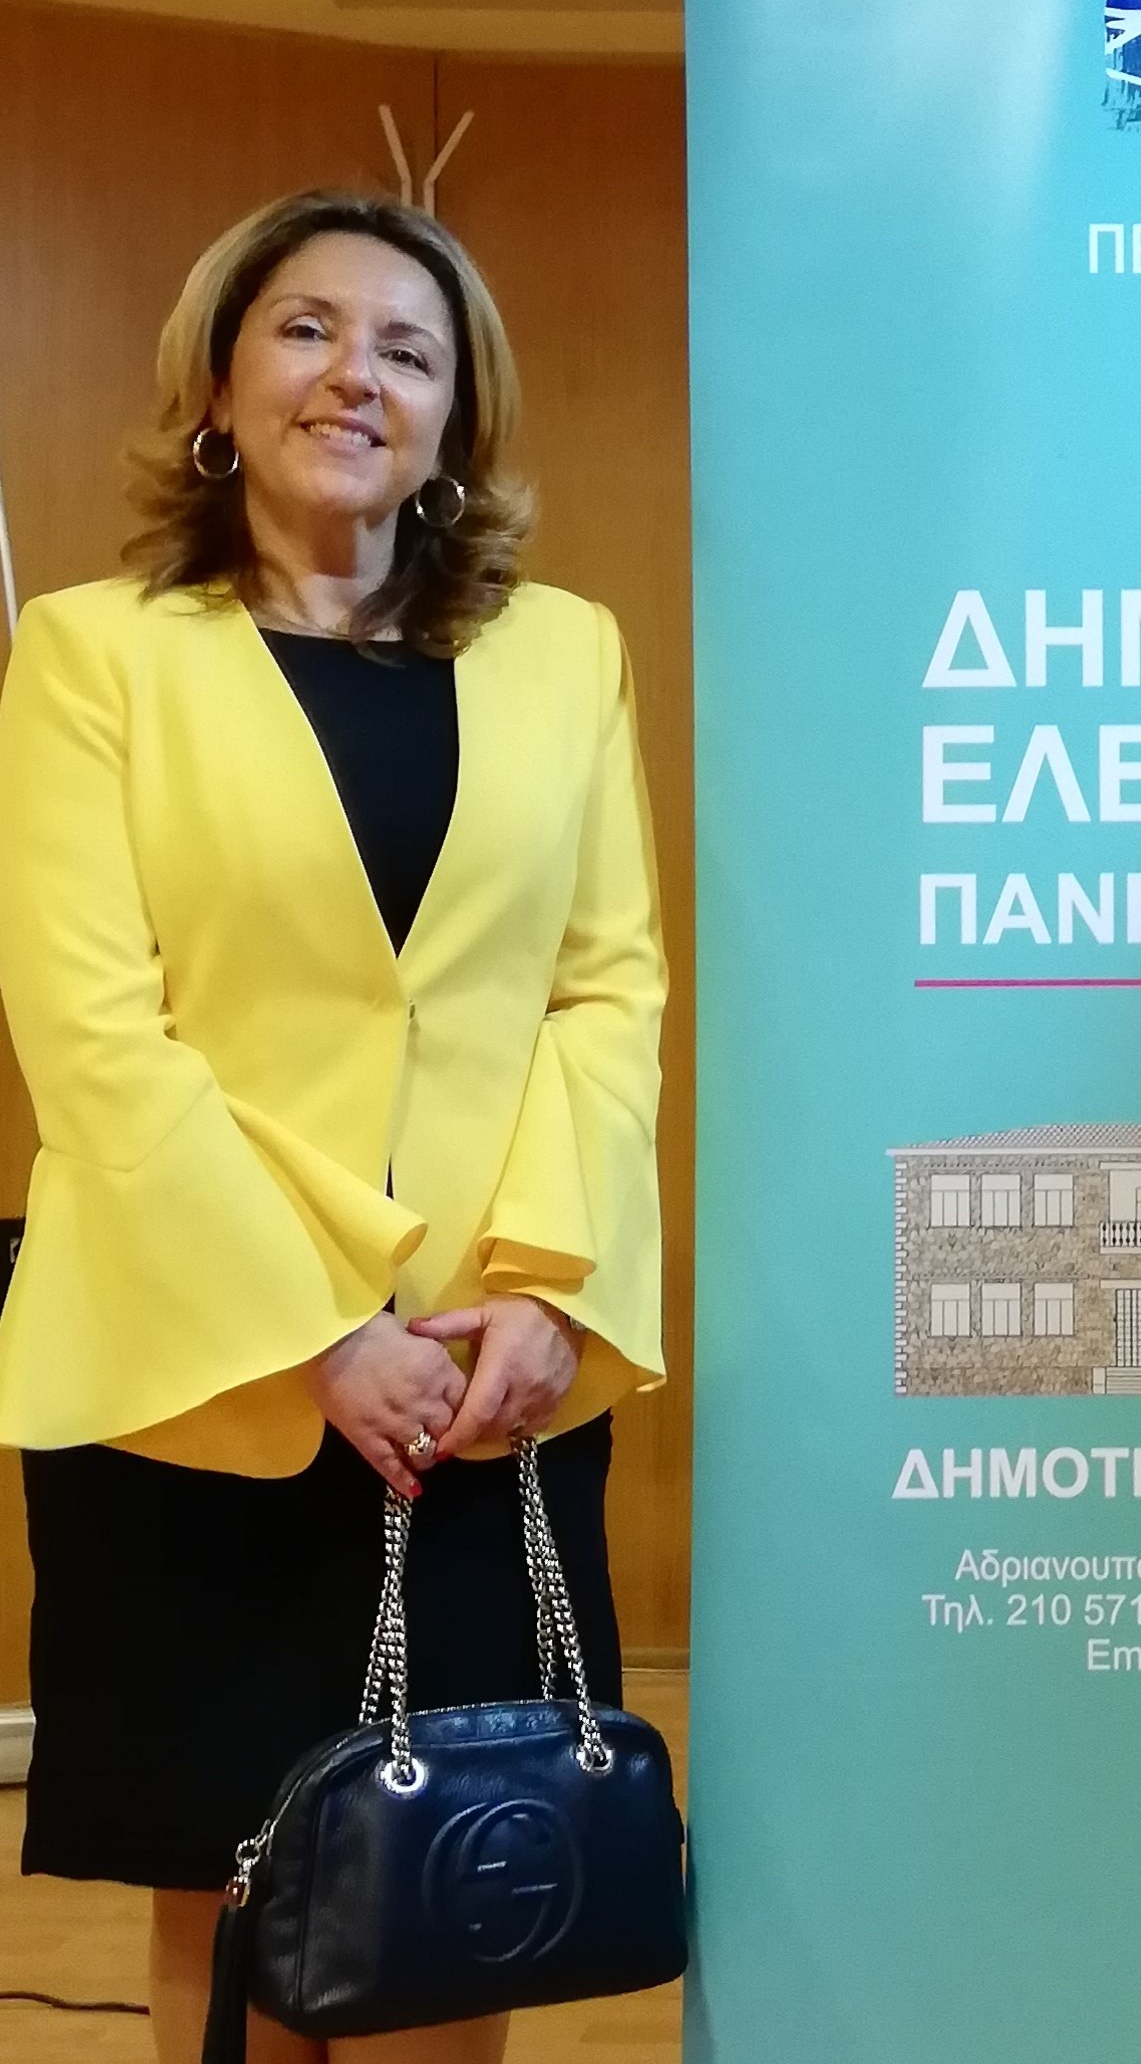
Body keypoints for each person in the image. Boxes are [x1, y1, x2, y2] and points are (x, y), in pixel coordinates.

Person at [0, 190, 668, 2064]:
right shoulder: (95, 653)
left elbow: (605, 991)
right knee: (232, 1891)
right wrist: (312, 1329)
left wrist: (548, 1290)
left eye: (408, 349)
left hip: (484, 1380)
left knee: (467, 1888)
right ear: (220, 384)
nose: (355, 374)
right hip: (205, 1374)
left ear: (456, 418)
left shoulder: (567, 654)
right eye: (306, 329)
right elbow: (93, 1032)